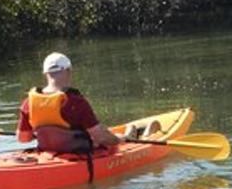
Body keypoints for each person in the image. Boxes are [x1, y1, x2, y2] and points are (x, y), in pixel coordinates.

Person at [16, 52, 151, 152]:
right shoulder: (75, 101)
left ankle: (129, 132)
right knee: (110, 137)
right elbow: (101, 138)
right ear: (68, 71)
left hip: (47, 152)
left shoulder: (28, 103)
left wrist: (47, 133)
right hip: (79, 153)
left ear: (45, 74)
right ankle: (130, 135)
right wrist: (118, 140)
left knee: (104, 132)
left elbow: (23, 138)